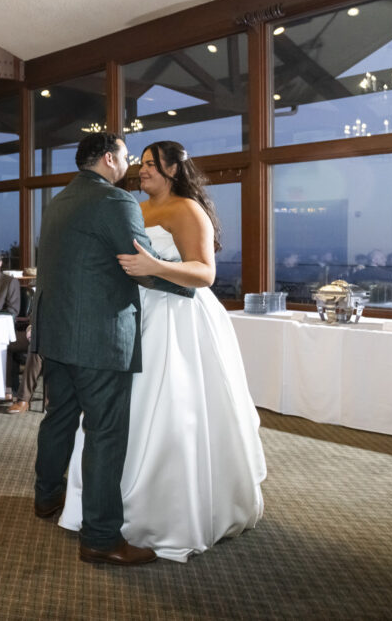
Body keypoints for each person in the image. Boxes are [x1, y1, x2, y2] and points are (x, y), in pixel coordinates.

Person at [56, 139, 266, 564]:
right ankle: (111, 512)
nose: (142, 170)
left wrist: (156, 268)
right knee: (119, 413)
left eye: (151, 164)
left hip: (179, 317)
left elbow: (204, 273)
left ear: (173, 168)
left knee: (172, 406)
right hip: (137, 314)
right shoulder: (133, 206)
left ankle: (172, 511)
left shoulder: (188, 210)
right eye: (141, 163)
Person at [32, 132, 195, 568]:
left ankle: (46, 498)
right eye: (126, 157)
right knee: (105, 433)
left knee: (60, 417)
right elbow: (137, 263)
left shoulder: (59, 200)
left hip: (56, 332)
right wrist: (190, 288)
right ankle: (101, 537)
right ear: (109, 158)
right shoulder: (115, 201)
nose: (130, 166)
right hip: (99, 334)